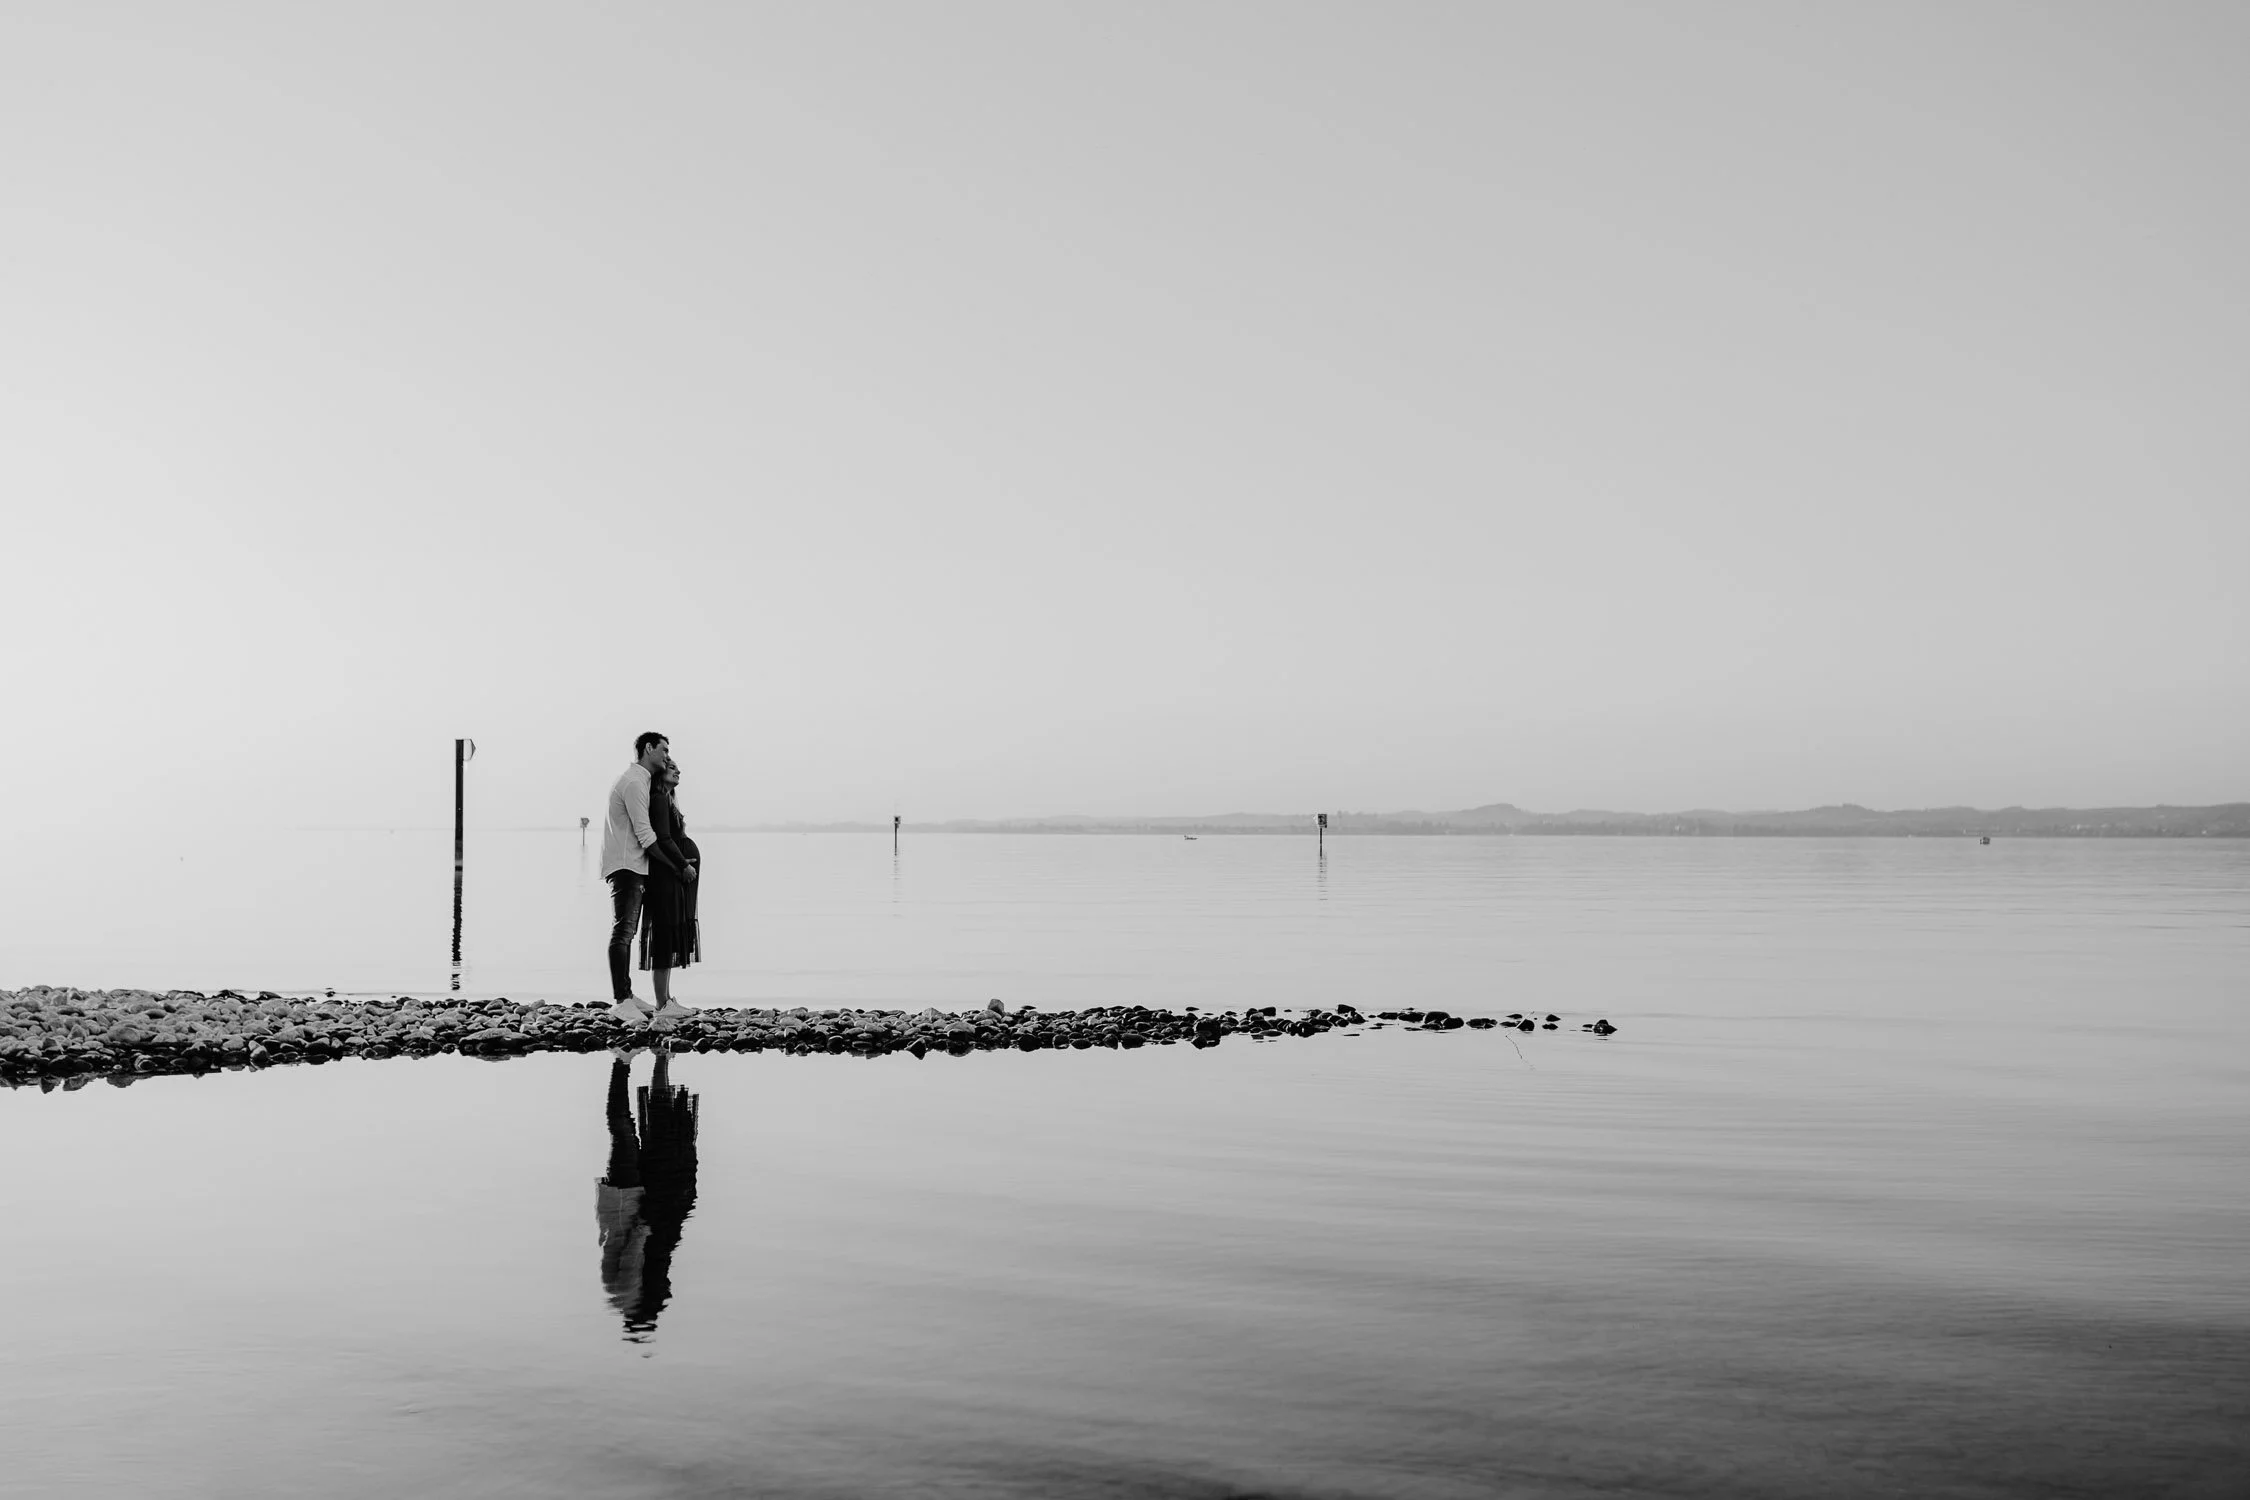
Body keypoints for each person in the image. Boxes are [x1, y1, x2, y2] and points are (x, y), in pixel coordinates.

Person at [593, 1046, 700, 1342]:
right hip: (622, 1202)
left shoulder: (626, 1293)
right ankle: (622, 1066)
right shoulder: (618, 1294)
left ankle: (622, 1065)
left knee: (622, 1130)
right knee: (621, 1130)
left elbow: (632, 1254)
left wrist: (644, 1225)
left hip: (629, 1205)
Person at [599, 732, 687, 1024]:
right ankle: (621, 1000)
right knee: (623, 931)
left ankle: (627, 995)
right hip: (626, 865)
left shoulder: (642, 782)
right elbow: (646, 835)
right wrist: (676, 866)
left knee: (628, 931)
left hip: (632, 865)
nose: (666, 756)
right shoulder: (635, 782)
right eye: (663, 750)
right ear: (647, 748)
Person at [639, 763, 701, 1019]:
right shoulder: (659, 799)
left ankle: (665, 1000)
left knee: (669, 933)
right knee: (664, 936)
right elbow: (663, 839)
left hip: (672, 877)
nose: (678, 771)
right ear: (659, 773)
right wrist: (681, 865)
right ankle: (662, 1004)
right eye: (671, 767)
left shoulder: (666, 799)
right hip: (666, 878)